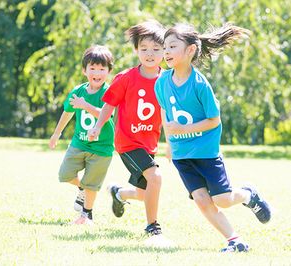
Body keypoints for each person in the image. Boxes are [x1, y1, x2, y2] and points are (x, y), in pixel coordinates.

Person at [154, 23, 271, 252]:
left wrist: (183, 131)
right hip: (181, 155)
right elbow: (165, 112)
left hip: (206, 153)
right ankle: (234, 240)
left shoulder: (200, 84)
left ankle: (249, 195)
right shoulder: (161, 82)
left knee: (223, 200)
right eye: (165, 46)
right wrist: (169, 142)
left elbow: (214, 120)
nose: (166, 51)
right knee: (201, 200)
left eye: (173, 46)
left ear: (190, 51)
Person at [88, 21, 167, 238]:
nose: (149, 54)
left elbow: (168, 115)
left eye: (156, 49)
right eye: (144, 49)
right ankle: (153, 226)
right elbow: (109, 105)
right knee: (156, 177)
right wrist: (97, 126)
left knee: (144, 192)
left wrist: (171, 142)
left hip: (149, 143)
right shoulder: (126, 78)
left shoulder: (167, 80)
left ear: (164, 51)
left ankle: (119, 193)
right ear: (136, 50)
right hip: (127, 142)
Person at [49, 45, 115, 225]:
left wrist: (85, 105)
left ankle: (86, 215)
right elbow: (68, 112)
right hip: (79, 143)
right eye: (92, 68)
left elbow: (107, 114)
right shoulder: (78, 91)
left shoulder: (110, 92)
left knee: (92, 184)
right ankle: (82, 189)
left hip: (102, 147)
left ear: (109, 71)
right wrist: (57, 133)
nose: (97, 72)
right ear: (84, 70)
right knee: (65, 174)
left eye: (102, 69)